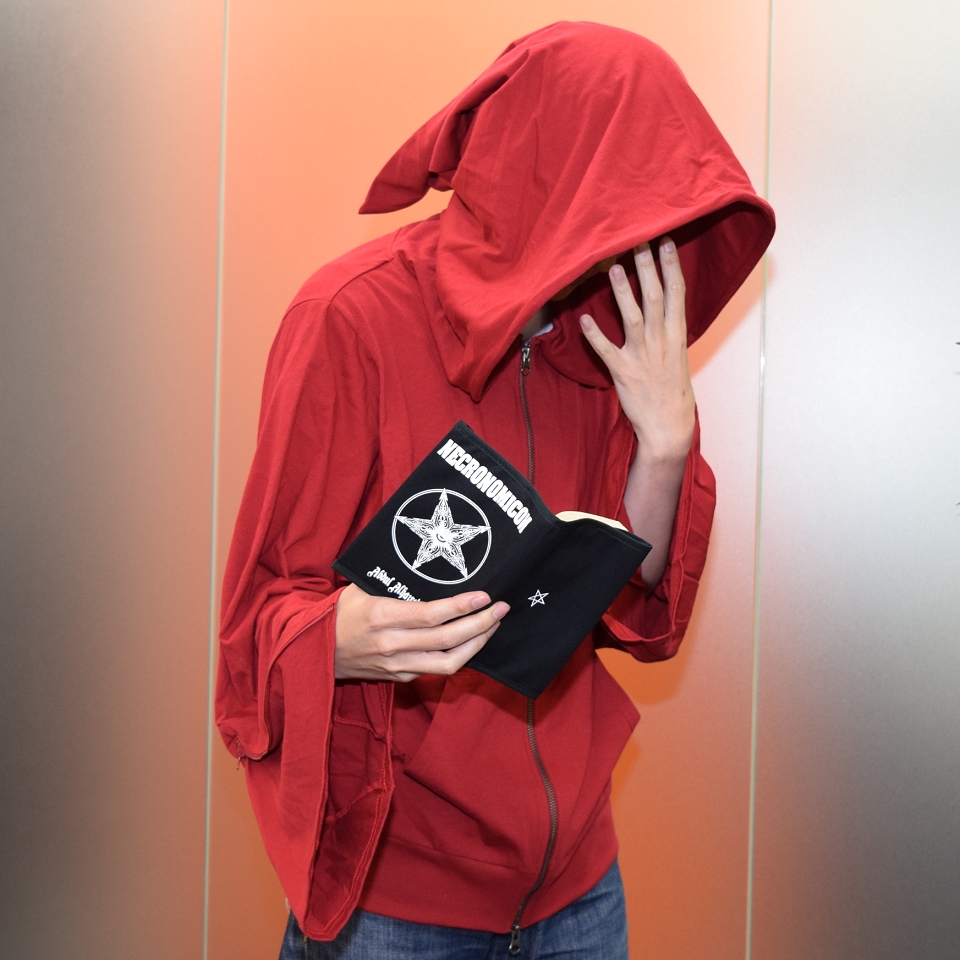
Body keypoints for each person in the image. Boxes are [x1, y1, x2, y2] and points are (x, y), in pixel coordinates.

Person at [216, 21, 775, 959]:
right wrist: (337, 639)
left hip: (580, 893)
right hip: (393, 904)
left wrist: (666, 446)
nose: (635, 245)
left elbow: (636, 610)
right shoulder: (348, 318)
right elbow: (255, 625)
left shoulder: (609, 339)